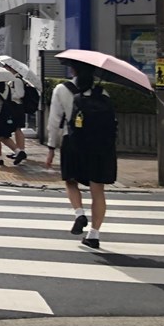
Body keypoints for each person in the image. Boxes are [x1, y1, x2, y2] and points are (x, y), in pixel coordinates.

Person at [45, 64, 114, 250]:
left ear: (73, 71)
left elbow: (54, 120)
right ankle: (94, 235)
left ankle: (79, 213)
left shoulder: (61, 89)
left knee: (71, 181)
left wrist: (51, 147)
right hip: (99, 146)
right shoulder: (102, 92)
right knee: (97, 190)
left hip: (73, 142)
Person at [4, 71, 28, 160]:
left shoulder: (17, 80)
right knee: (16, 129)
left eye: (7, 67)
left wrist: (10, 95)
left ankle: (21, 151)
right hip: (14, 107)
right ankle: (19, 151)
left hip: (17, 107)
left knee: (18, 129)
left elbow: (20, 94)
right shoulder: (12, 80)